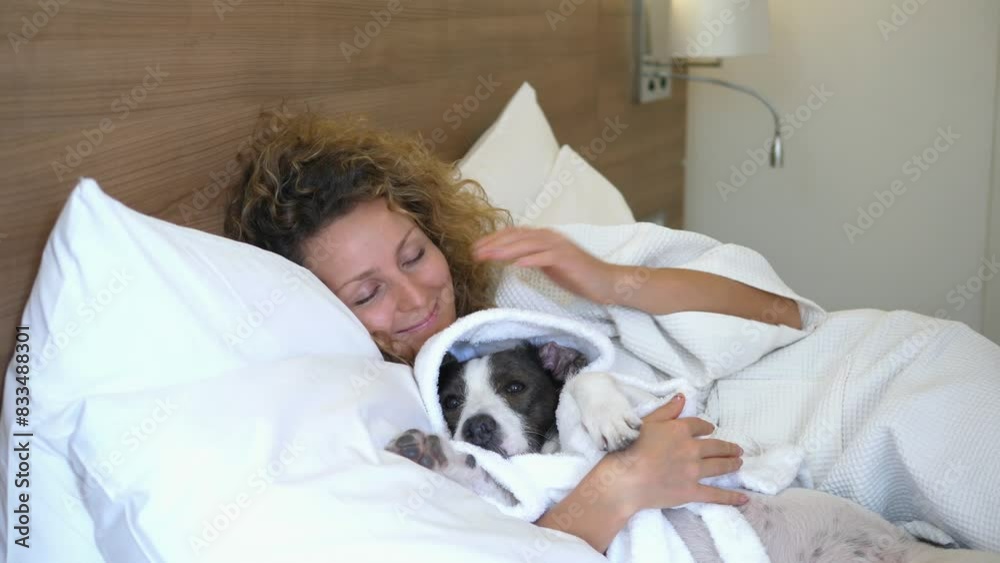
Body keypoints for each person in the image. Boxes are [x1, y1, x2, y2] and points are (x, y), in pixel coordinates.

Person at [222, 112, 815, 553]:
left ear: (435, 232)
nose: (416, 297)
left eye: (413, 255)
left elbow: (778, 315)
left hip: (812, 398)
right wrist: (623, 482)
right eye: (367, 293)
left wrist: (608, 282)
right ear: (319, 309)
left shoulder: (527, 281)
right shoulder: (371, 419)